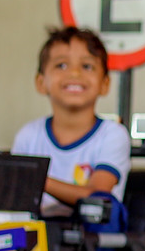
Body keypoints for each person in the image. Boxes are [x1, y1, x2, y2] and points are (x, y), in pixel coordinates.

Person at [11, 26, 133, 217]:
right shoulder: (29, 135)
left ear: (105, 84)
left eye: (87, 66)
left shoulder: (112, 135)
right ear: (41, 83)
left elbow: (96, 194)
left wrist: (34, 179)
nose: (75, 73)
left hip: (91, 240)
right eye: (61, 65)